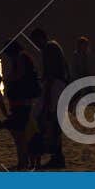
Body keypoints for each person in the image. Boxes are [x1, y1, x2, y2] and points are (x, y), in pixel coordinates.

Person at [2, 42, 40, 169]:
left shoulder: (20, 58)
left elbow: (20, 74)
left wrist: (8, 80)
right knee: (21, 132)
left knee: (20, 134)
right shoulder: (24, 57)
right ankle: (25, 161)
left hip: (20, 102)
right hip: (22, 102)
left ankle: (23, 161)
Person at [34, 40, 69, 170]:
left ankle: (56, 158)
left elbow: (49, 98)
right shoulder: (61, 78)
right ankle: (57, 158)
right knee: (56, 132)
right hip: (58, 105)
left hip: (52, 108)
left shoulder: (51, 80)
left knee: (52, 132)